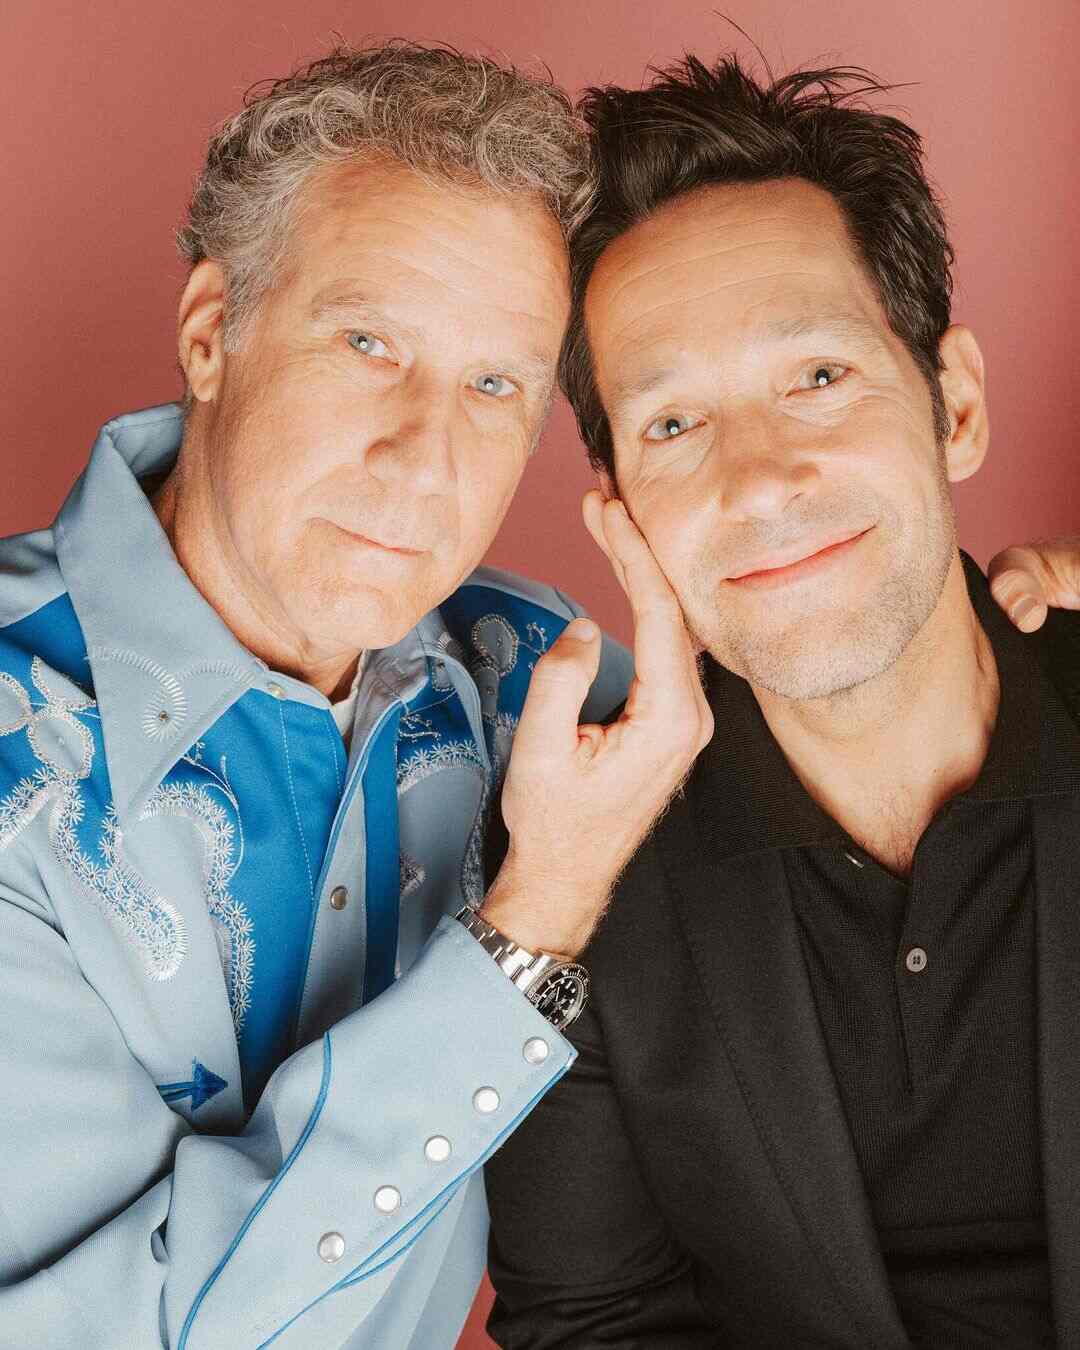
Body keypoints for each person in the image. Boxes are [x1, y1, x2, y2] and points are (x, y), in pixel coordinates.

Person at [0, 42, 712, 1350]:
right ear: (211, 332)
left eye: (494, 385)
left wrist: (1046, 631)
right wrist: (534, 926)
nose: (425, 459)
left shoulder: (532, 676)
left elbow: (860, 778)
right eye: (369, 343)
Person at [484, 55, 1080, 1348]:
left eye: (816, 376)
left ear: (955, 407)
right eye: (673, 425)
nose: (758, 481)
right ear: (620, 514)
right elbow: (591, 1320)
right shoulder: (574, 859)